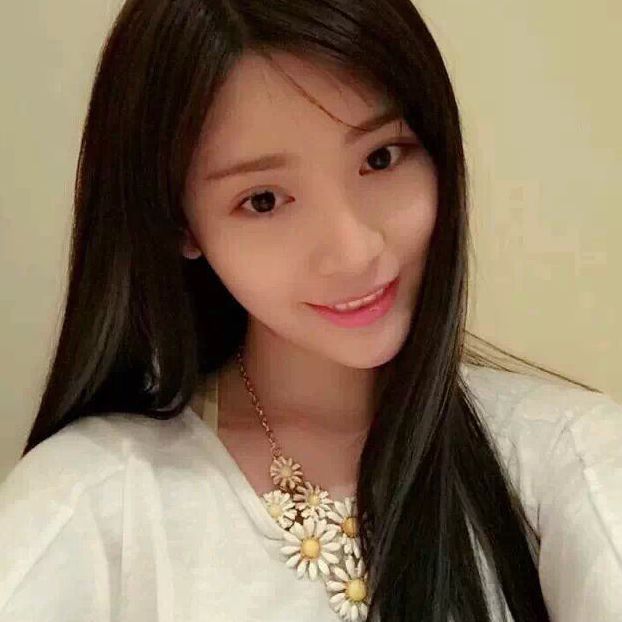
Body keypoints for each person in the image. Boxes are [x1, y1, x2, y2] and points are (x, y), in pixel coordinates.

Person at [1, 0, 620, 620]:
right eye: (264, 200)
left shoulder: (567, 458)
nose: (354, 251)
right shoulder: (89, 505)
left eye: (381, 157)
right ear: (179, 224)